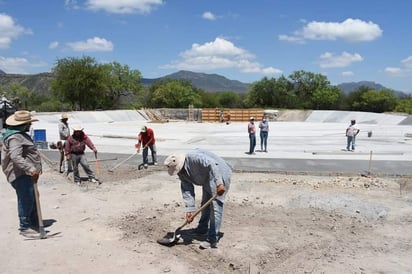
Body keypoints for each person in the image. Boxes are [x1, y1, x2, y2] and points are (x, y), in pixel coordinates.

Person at [164, 149, 232, 249]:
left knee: (216, 208)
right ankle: (202, 229)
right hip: (207, 179)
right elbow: (187, 191)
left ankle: (212, 239)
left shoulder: (194, 158)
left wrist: (219, 183)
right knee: (205, 203)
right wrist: (189, 210)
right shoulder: (181, 173)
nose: (179, 172)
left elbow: (213, 164)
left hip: (219, 174)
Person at [1, 110, 42, 235]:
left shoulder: (20, 135)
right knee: (26, 197)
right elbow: (15, 156)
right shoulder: (15, 137)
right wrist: (31, 168)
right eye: (28, 123)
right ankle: (25, 226)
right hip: (20, 173)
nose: (29, 125)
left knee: (33, 196)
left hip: (27, 173)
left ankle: (35, 222)